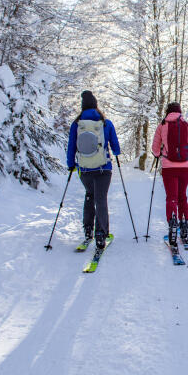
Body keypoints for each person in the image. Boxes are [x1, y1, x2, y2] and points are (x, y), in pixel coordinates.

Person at [67, 90, 120, 258]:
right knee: (101, 199)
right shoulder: (105, 122)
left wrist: (71, 165)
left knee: (90, 195)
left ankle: (88, 230)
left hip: (84, 169)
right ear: (96, 106)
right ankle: (100, 235)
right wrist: (115, 153)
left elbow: (71, 147)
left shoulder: (77, 124)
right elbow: (116, 147)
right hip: (104, 168)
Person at [151, 102, 188, 248]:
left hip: (168, 167)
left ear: (167, 112)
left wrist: (159, 152)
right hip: (186, 167)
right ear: (180, 112)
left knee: (171, 197)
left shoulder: (162, 126)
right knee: (182, 196)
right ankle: (183, 223)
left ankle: (172, 222)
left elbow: (155, 150)